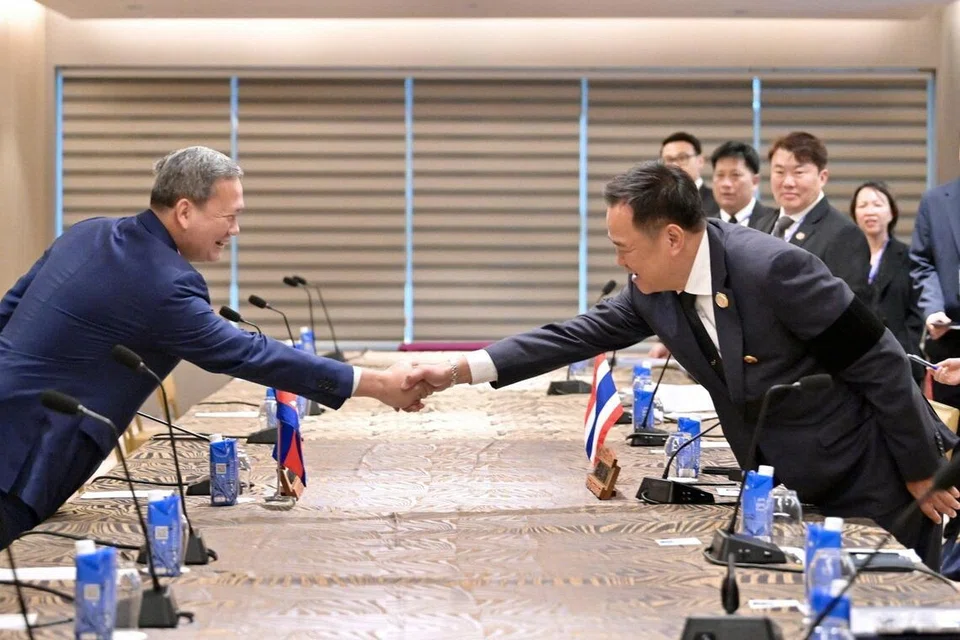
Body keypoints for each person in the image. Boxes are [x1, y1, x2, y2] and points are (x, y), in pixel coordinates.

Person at [404, 161, 960, 568]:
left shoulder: (774, 269)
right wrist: (459, 370)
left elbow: (881, 362)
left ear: (672, 237)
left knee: (889, 613)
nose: (619, 260)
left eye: (624, 247)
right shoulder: (654, 289)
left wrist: (920, 470)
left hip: (875, 476)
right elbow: (573, 335)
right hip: (788, 483)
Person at [0, 146, 430, 549]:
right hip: (20, 459)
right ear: (185, 211)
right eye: (230, 216)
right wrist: (375, 384)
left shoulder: (87, 234)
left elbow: (7, 313)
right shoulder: (163, 283)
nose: (235, 230)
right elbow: (246, 354)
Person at [768, 131, 871, 301]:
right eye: (779, 172)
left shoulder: (845, 234)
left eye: (798, 172)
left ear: (822, 177)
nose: (787, 182)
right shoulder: (761, 224)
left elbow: (850, 308)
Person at [849, 181, 924, 382]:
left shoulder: (910, 257)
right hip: (854, 361)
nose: (870, 211)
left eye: (877, 204)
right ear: (854, 214)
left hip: (900, 359)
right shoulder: (843, 257)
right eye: (862, 205)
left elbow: (917, 313)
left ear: (892, 213)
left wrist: (904, 350)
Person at [910, 145, 960, 408]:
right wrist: (932, 309)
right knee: (949, 435)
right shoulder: (936, 201)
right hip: (948, 336)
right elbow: (921, 263)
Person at [711, 141, 778, 232]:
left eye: (735, 175)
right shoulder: (706, 226)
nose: (726, 184)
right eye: (720, 175)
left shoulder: (775, 223)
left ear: (755, 181)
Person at [660, 131, 720, 216]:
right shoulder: (656, 204)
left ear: (700, 161)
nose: (675, 165)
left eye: (682, 158)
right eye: (669, 159)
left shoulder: (719, 202)